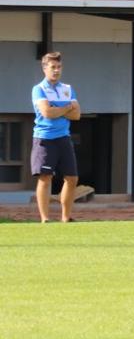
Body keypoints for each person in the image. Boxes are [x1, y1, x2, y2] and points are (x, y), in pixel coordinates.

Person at [31, 52, 81, 223]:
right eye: (53, 67)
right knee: (45, 177)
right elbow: (46, 112)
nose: (56, 70)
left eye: (59, 67)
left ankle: (65, 218)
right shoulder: (38, 89)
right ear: (44, 68)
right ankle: (45, 219)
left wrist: (58, 109)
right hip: (44, 138)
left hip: (64, 138)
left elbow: (77, 115)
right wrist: (67, 108)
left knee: (72, 178)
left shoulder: (67, 89)